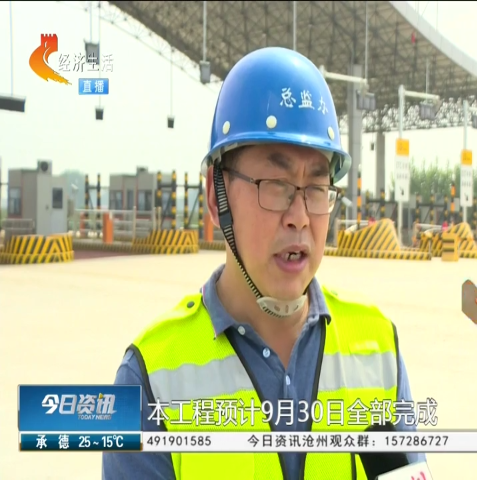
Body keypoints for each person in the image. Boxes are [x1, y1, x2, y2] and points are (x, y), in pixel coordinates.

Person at [103, 47, 425, 480]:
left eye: (317, 187)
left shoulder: (379, 348)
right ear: (217, 197)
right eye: (276, 184)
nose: (300, 216)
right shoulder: (151, 378)